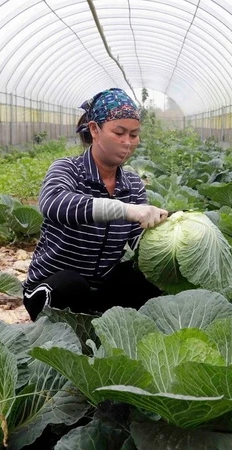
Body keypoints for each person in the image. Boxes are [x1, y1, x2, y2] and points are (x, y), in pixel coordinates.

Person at [22, 88, 168, 320]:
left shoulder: (132, 184)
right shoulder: (68, 169)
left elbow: (138, 240)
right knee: (71, 284)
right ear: (94, 130)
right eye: (119, 132)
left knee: (145, 279)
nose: (127, 142)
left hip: (99, 288)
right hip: (52, 288)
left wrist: (172, 232)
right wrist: (126, 210)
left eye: (134, 134)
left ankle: (105, 326)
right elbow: (53, 203)